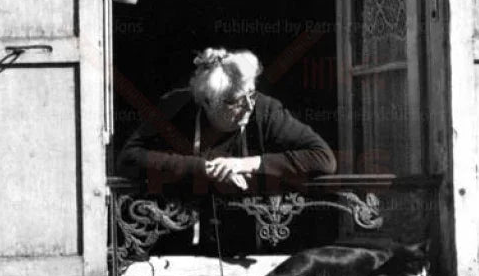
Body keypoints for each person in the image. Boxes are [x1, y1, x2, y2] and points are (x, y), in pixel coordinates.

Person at [117, 47, 336, 194]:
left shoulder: (265, 110)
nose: (249, 106)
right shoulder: (177, 106)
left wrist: (244, 164)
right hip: (178, 231)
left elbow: (324, 159)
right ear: (207, 101)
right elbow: (128, 158)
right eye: (236, 101)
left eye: (251, 94)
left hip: (249, 237)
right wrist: (203, 168)